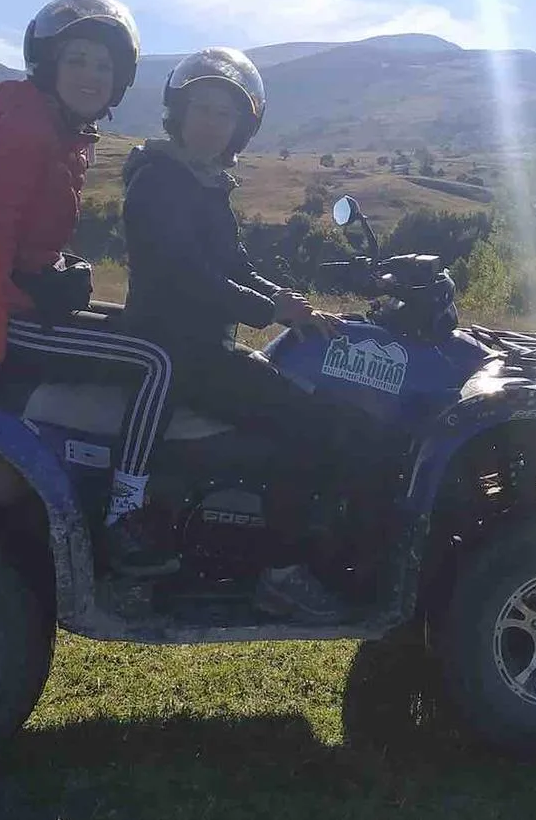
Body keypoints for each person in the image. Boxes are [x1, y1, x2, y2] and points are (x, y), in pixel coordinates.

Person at [120, 48, 405, 622]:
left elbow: (237, 263)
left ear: (240, 128)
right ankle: (281, 574)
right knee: (310, 425)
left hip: (201, 346)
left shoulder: (202, 182)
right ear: (178, 112)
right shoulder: (159, 181)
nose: (211, 122)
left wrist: (290, 303)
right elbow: (188, 275)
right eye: (201, 108)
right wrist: (268, 310)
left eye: (224, 115)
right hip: (181, 350)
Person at [0, 0, 176, 573]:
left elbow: (28, 241)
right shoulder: (26, 133)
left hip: (22, 302)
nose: (93, 75)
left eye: (104, 65)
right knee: (156, 362)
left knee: (150, 331)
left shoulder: (60, 134)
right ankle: (126, 514)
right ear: (48, 65)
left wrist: (60, 271)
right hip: (7, 317)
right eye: (78, 60)